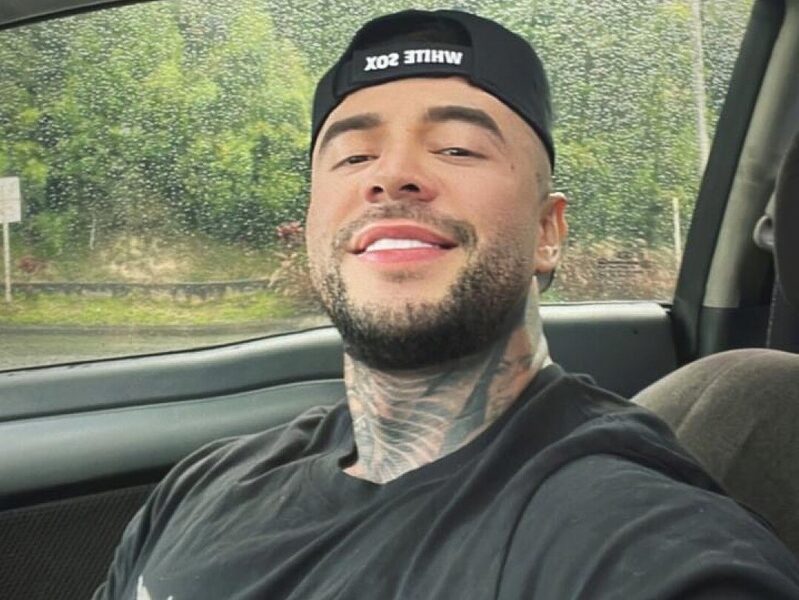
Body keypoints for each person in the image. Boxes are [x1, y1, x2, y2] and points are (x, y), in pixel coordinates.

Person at [94, 9, 799, 599]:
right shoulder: (203, 484)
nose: (392, 176)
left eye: (458, 149)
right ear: (310, 227)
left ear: (547, 233)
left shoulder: (643, 549)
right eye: (352, 156)